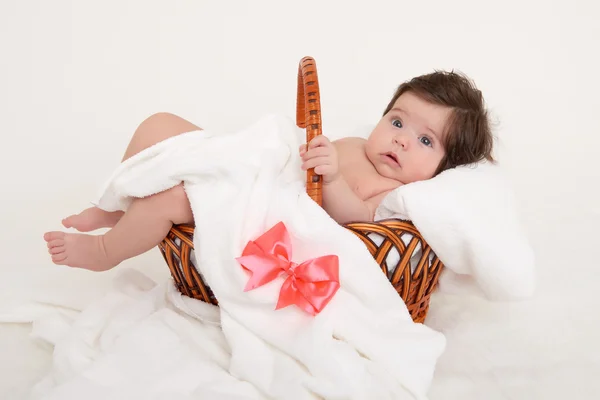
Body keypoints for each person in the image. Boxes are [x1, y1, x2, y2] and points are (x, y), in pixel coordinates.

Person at [44, 70, 494, 272]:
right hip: (262, 168)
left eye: (425, 140)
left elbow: (354, 220)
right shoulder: (360, 144)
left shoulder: (390, 192)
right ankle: (113, 205)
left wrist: (333, 178)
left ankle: (106, 252)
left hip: (263, 208)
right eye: (397, 121)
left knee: (167, 199)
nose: (400, 139)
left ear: (444, 169)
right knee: (158, 126)